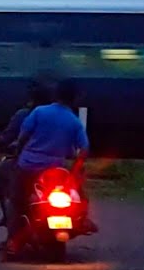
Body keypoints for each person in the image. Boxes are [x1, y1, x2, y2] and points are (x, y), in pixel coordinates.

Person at [7, 79, 93, 237]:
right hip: (56, 170)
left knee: (16, 200)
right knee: (79, 194)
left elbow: (23, 136)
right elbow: (84, 148)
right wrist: (76, 168)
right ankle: (84, 219)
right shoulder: (74, 121)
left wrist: (18, 152)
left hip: (28, 166)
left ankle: (12, 238)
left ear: (55, 95)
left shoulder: (39, 112)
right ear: (75, 98)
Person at [0, 80, 54, 226]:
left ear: (31, 99)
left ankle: (11, 228)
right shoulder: (61, 115)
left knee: (2, 177)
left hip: (28, 165)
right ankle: (83, 218)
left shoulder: (25, 115)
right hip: (57, 164)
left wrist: (3, 145)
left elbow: (16, 138)